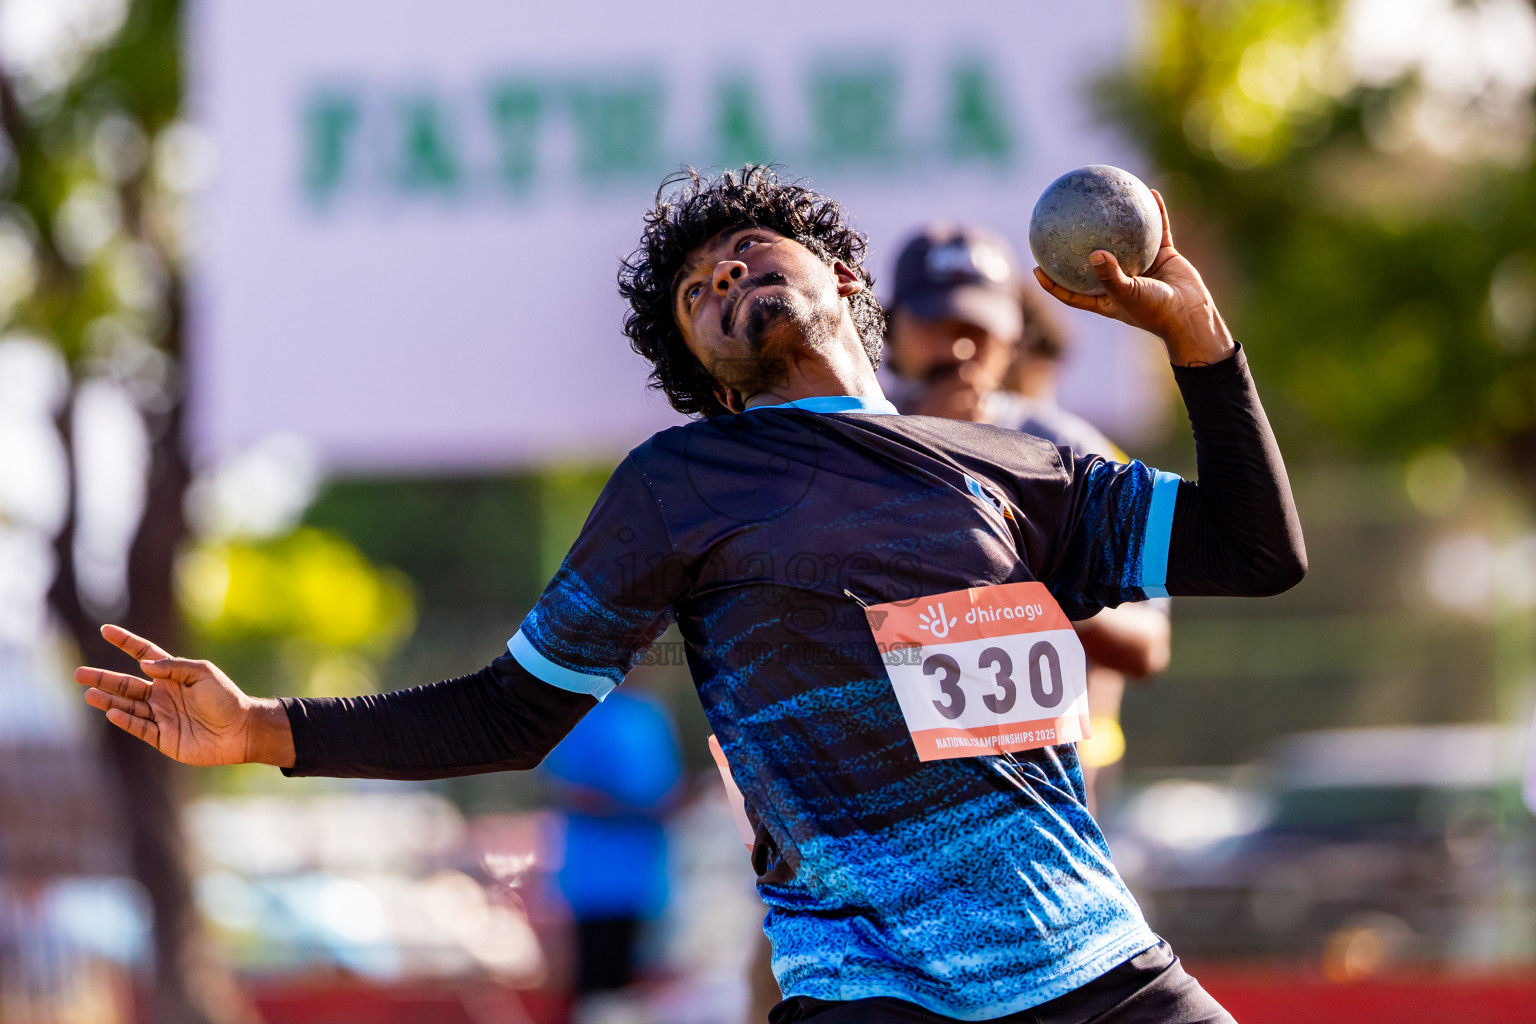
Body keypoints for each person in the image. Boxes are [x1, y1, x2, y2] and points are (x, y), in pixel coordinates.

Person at [75, 165, 1304, 1023]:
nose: (723, 281)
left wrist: (1202, 341)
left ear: (832, 274)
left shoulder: (1023, 468)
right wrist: (260, 732)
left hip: (1093, 963)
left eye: (745, 255)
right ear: (709, 375)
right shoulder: (685, 482)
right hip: (872, 989)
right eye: (698, 296)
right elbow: (512, 711)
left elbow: (1257, 551)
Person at [883, 225, 1170, 811]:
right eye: (937, 325)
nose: (959, 349)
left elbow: (1147, 645)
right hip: (888, 783)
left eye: (978, 329)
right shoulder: (848, 444)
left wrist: (1005, 569)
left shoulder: (1072, 451)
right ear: (889, 330)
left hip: (1042, 792)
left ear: (1014, 333)